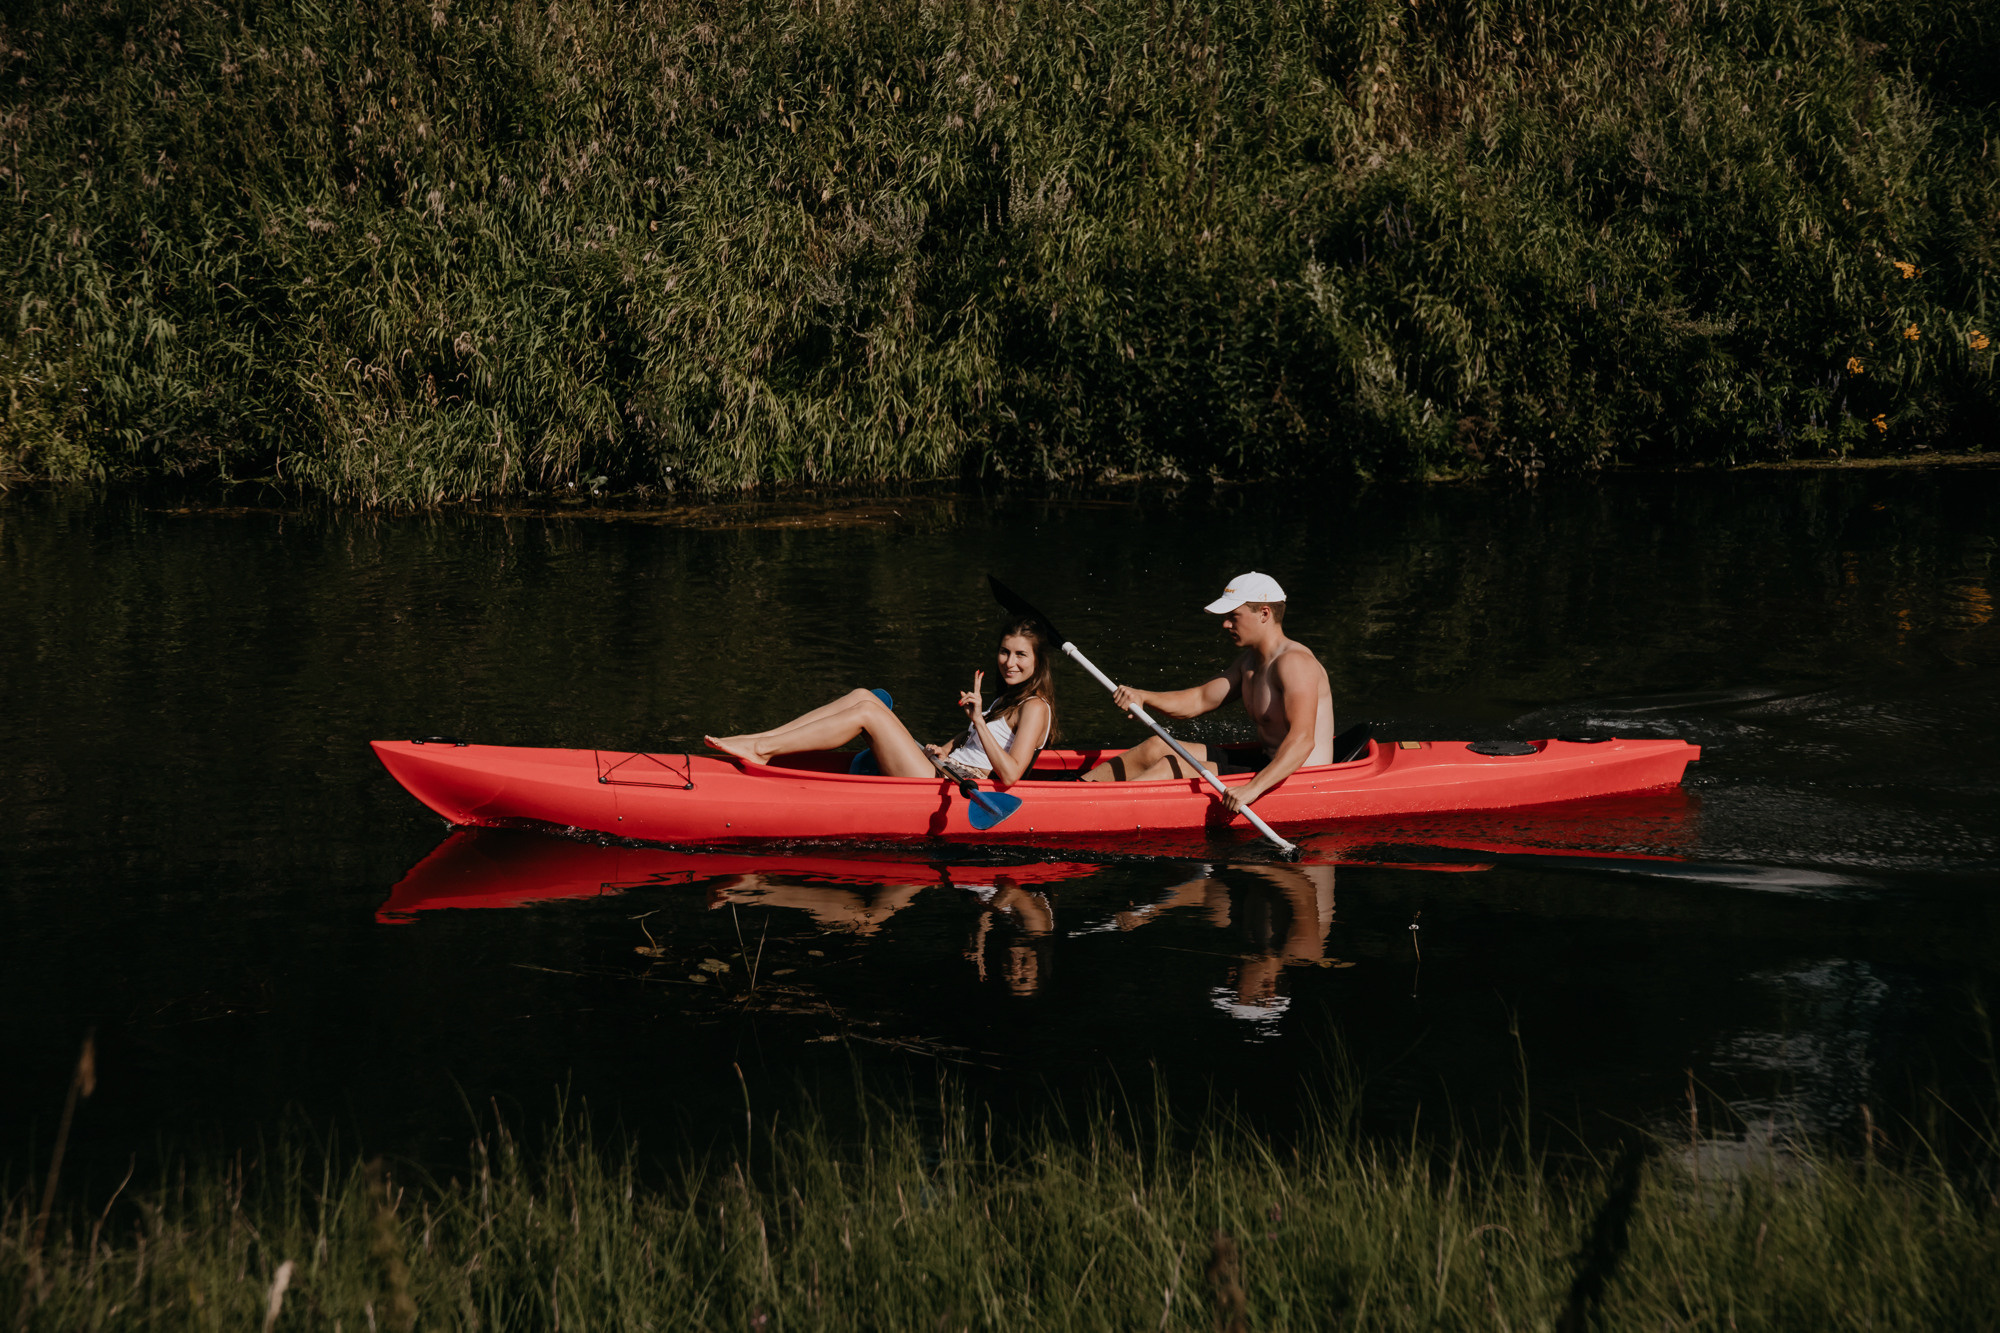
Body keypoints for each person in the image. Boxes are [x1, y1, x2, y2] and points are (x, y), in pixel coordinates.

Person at [1079, 572, 1333, 812]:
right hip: (1267, 763)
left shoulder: (1295, 663)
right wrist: (1143, 696)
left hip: (1300, 779)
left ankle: (1092, 811)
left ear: (1264, 613)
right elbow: (1198, 700)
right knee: (1156, 747)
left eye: (1234, 616)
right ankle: (1077, 790)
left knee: (1172, 766)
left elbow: (1302, 741)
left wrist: (1251, 790)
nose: (1225, 624)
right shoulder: (1248, 663)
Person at [704, 620, 1056, 785]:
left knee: (870, 712)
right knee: (864, 696)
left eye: (1021, 655)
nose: (1010, 662)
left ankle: (763, 749)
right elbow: (973, 748)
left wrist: (979, 720)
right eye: (1005, 651)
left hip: (945, 784)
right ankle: (759, 742)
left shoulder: (1035, 707)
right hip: (939, 767)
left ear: (1037, 662)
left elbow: (1010, 775)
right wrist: (945, 747)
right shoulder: (1006, 698)